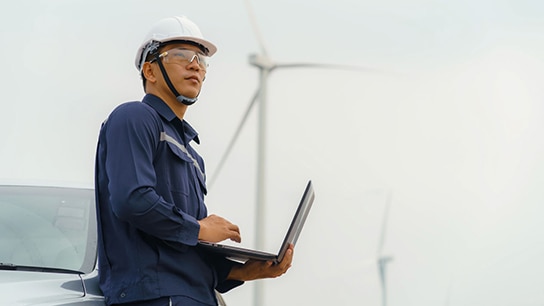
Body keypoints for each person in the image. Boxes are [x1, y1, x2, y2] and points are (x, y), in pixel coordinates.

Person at [94, 15, 294, 306]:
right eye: (180, 55)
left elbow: (185, 249)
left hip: (197, 297)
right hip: (157, 297)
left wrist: (249, 270)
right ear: (150, 70)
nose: (195, 65)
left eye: (201, 58)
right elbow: (132, 199)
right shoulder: (133, 117)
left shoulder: (192, 155)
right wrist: (199, 228)